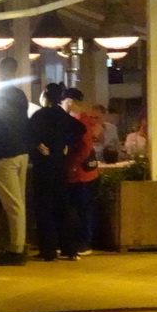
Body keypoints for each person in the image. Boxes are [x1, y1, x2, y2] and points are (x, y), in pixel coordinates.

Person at [0, 57, 30, 266]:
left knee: (13, 205)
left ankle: (17, 249)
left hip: (5, 155)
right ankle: (17, 244)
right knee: (18, 203)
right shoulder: (21, 96)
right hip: (22, 152)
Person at [29, 83, 83, 261]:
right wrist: (66, 144)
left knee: (44, 208)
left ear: (45, 95)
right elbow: (80, 129)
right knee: (62, 207)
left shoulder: (39, 115)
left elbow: (29, 134)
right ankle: (70, 249)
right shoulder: (63, 116)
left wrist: (37, 144)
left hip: (43, 166)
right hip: (60, 165)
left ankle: (49, 251)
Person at [61, 87, 97, 256]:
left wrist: (74, 163)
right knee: (81, 208)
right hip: (80, 172)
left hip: (80, 172)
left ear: (70, 101)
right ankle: (81, 241)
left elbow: (86, 147)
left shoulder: (81, 121)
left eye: (64, 101)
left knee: (83, 208)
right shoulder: (81, 120)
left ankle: (85, 242)